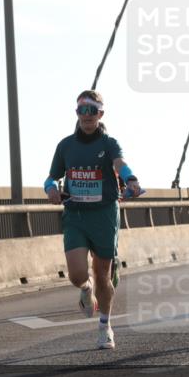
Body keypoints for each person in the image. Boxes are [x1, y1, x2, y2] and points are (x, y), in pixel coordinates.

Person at [45, 90, 143, 350]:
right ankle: (85, 291)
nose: (87, 116)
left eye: (92, 110)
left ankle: (105, 326)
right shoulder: (65, 145)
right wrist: (51, 189)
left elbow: (120, 163)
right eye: (82, 110)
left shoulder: (108, 143)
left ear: (101, 113)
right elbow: (51, 178)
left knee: (102, 274)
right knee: (78, 275)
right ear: (76, 113)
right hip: (76, 215)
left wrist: (131, 179)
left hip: (104, 214)